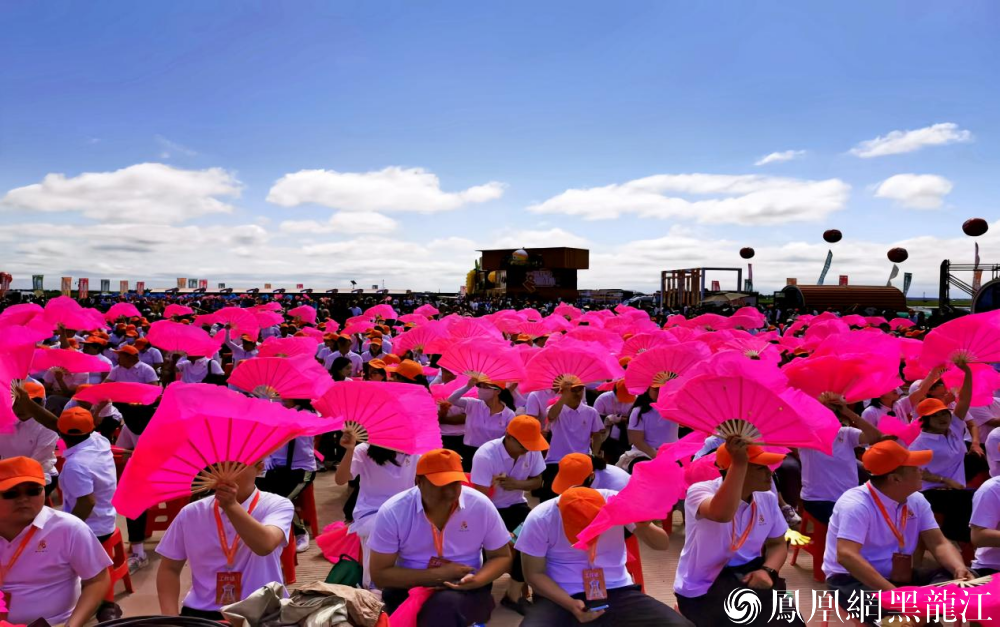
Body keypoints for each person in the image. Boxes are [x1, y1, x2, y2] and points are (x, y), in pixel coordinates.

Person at [823, 440, 973, 623]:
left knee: (962, 578)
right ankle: (918, 613)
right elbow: (846, 556)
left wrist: (959, 568)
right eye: (914, 467)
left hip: (899, 576)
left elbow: (939, 543)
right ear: (895, 478)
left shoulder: (917, 500)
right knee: (900, 619)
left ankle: (923, 611)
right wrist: (894, 595)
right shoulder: (855, 504)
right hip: (853, 579)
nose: (921, 470)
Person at [368, 449, 513, 626]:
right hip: (407, 586)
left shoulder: (480, 505)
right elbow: (380, 574)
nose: (451, 492)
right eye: (441, 484)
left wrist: (477, 580)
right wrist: (436, 575)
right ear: (419, 481)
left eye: (456, 483)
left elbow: (502, 556)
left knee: (445, 606)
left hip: (466, 587)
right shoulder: (393, 511)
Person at [517, 486, 691, 626]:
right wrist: (571, 605)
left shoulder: (618, 503)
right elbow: (533, 574)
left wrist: (644, 525)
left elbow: (662, 545)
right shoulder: (540, 518)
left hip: (616, 588)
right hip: (561, 593)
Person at [673, 439, 804, 627]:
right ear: (736, 468)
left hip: (750, 578)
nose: (770, 472)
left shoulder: (767, 498)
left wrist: (768, 571)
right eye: (761, 468)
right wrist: (740, 462)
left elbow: (777, 543)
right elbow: (722, 514)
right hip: (702, 588)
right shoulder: (700, 491)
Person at [156, 460, 295, 619]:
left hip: (263, 612)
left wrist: (231, 506)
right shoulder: (191, 513)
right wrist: (170, 619)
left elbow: (264, 545)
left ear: (259, 467)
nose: (225, 474)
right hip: (203, 613)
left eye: (235, 466)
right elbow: (169, 569)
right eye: (217, 467)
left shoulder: (277, 505)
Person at [0, 457, 112, 627]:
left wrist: (72, 625)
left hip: (56, 623)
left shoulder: (68, 528)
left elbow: (97, 580)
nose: (23, 499)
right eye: (11, 493)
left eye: (33, 491)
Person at [470, 415, 548, 614]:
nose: (527, 450)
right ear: (509, 437)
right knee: (491, 546)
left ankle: (513, 596)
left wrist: (516, 484)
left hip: (516, 505)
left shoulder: (532, 451)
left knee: (533, 538)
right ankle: (479, 594)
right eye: (523, 445)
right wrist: (492, 486)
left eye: (531, 445)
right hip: (488, 510)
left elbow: (538, 482)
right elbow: (480, 499)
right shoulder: (486, 455)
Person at [335, 430, 419, 589]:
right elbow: (340, 480)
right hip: (372, 513)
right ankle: (373, 589)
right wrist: (349, 449)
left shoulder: (415, 450)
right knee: (377, 533)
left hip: (405, 512)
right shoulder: (363, 450)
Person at [910, 362, 979, 542]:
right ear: (925, 420)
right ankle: (951, 541)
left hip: (954, 488)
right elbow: (915, 471)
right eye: (936, 415)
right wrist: (945, 481)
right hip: (930, 491)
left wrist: (967, 371)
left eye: (943, 413)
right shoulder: (920, 442)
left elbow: (964, 400)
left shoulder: (954, 427)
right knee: (969, 497)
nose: (942, 418)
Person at [799, 397, 883, 523]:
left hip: (849, 498)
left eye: (832, 411)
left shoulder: (845, 433)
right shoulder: (805, 435)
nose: (827, 415)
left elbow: (876, 437)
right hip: (818, 501)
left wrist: (848, 412)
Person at [541, 381, 605, 501]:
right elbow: (551, 416)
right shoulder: (556, 409)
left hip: (581, 461)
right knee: (549, 497)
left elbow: (597, 435)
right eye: (573, 390)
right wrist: (564, 396)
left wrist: (594, 454)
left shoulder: (591, 412)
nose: (577, 393)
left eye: (580, 389)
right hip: (556, 460)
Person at [0, 382, 59, 496]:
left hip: (40, 476)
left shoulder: (47, 427)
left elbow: (36, 462)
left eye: (26, 404)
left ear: (39, 405)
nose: (20, 409)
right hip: (7, 475)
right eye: (15, 403)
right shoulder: (4, 420)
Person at [446, 378, 515, 470]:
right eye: (480, 386)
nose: (481, 389)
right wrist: (467, 386)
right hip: (469, 452)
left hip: (493, 454)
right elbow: (451, 399)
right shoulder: (473, 404)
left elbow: (508, 438)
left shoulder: (509, 414)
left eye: (485, 387)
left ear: (497, 391)